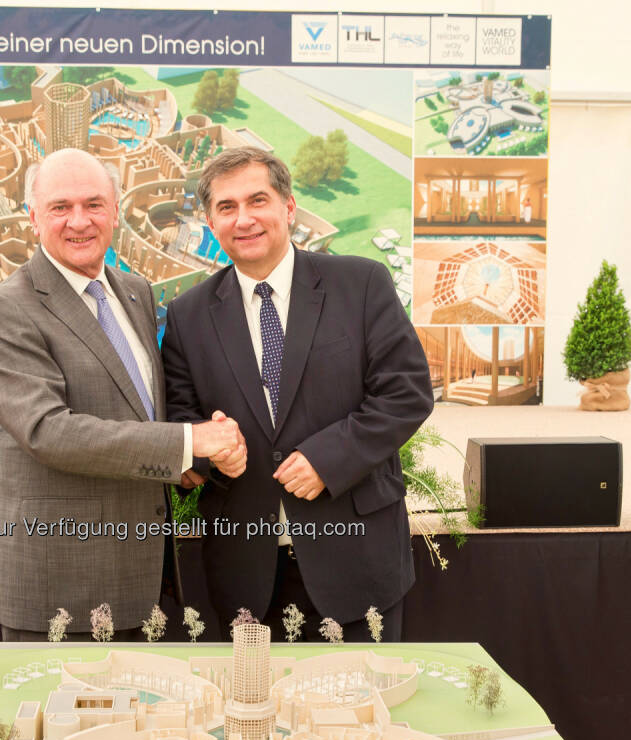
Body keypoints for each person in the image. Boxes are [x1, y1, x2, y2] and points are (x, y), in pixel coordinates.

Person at [162, 147, 433, 642]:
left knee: (362, 693)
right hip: (244, 574)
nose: (244, 219)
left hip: (357, 563)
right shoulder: (187, 315)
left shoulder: (362, 283)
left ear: (288, 207)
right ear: (210, 222)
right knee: (256, 696)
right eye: (226, 207)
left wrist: (328, 460)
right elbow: (182, 419)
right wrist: (208, 452)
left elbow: (406, 393)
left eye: (257, 200)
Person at [0, 148, 245, 640]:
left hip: (144, 581)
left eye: (94, 204)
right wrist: (189, 441)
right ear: (33, 217)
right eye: (60, 207)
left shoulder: (134, 291)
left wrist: (192, 462)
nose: (79, 221)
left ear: (115, 212)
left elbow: (139, 409)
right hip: (60, 587)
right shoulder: (5, 309)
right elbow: (48, 432)